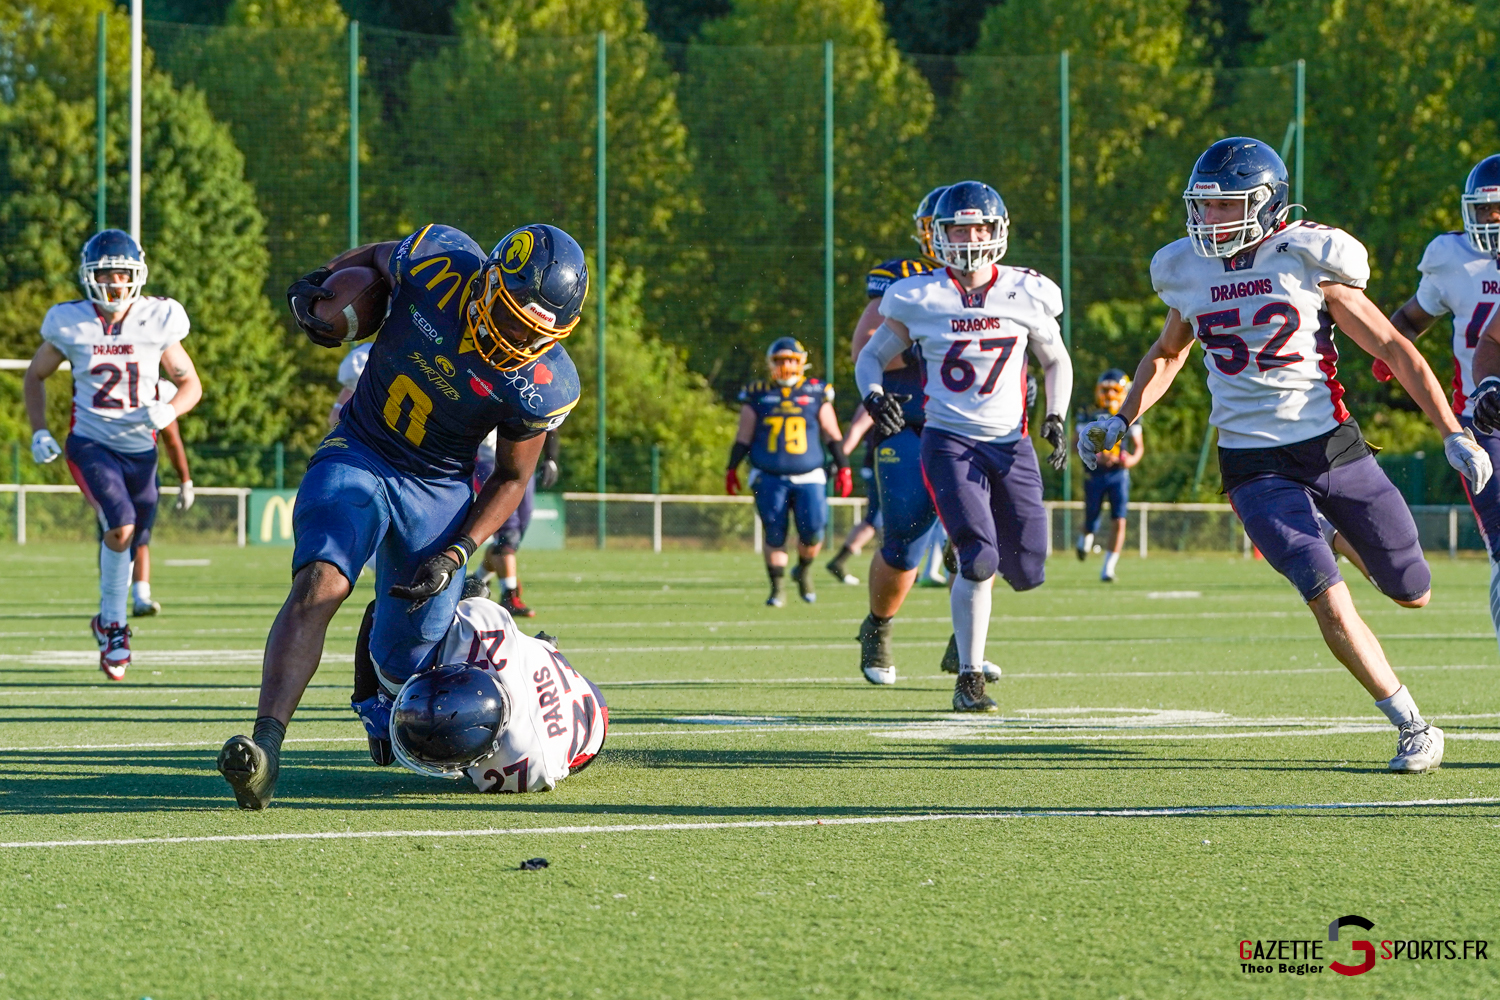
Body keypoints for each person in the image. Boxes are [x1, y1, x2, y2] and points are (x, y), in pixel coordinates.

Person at [1081, 136, 1491, 773]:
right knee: (1323, 591)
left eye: (1225, 207)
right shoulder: (1186, 270)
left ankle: (1333, 530)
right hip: (1251, 464)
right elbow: (1167, 354)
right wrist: (1121, 417)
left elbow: (1394, 347)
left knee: (1414, 592)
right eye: (1203, 207)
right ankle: (1411, 722)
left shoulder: (1305, 257)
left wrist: (1449, 430)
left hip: (1332, 445)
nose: (1209, 221)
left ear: (1267, 205)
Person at [217, 222, 586, 810]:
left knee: (401, 665)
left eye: (536, 329)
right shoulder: (441, 263)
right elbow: (379, 258)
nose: (518, 336)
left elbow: (512, 477)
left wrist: (457, 550)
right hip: (361, 449)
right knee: (320, 583)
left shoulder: (545, 382)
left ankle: (413, 671)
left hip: (438, 491)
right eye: (513, 314)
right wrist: (325, 284)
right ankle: (266, 747)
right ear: (490, 282)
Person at [856, 181, 1072, 707]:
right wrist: (872, 394)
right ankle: (967, 675)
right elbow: (869, 351)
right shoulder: (917, 293)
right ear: (938, 233)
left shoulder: (1026, 290)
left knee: (1028, 565)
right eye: (958, 227)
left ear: (998, 231)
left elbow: (1056, 358)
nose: (969, 237)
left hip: (1010, 440)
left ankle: (965, 632)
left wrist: (1056, 416)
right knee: (972, 555)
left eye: (978, 226)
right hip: (946, 438)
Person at [23, 230, 203, 680]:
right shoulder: (71, 321)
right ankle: (116, 624)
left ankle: (106, 621)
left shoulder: (157, 318)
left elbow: (190, 384)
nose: (114, 283)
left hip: (141, 449)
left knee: (136, 534)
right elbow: (35, 376)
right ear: (89, 277)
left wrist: (170, 409)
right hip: (90, 443)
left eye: (121, 273)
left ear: (136, 275)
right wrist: (40, 429)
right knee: (120, 527)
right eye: (105, 274)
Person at [1381, 154, 1500, 651]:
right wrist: (1388, 352)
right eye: (1483, 210)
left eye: (1498, 210)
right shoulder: (1452, 257)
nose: (1489, 221)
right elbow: (1410, 319)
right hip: (1481, 418)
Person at [382, 597, 606, 792]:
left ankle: (541, 648)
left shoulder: (528, 756)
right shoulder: (477, 627)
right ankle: (540, 647)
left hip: (591, 718)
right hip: (532, 666)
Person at [726, 337, 852, 607]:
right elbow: (743, 436)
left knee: (813, 531)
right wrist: (731, 468)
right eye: (780, 360)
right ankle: (777, 588)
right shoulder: (757, 393)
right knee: (774, 531)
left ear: (801, 362)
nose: (786, 366)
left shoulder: (817, 391)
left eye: (791, 360)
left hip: (810, 475)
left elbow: (832, 434)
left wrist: (844, 468)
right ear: (771, 364)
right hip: (768, 474)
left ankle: (803, 570)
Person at [470, 427, 561, 616]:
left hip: (524, 462)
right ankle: (509, 596)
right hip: (488, 461)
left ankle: (476, 582)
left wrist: (551, 458)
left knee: (515, 533)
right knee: (508, 534)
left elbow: (550, 421)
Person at [128, 378, 195, 617]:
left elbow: (172, 438)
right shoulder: (113, 374)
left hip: (144, 471)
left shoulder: (160, 388)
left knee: (140, 535)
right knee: (116, 532)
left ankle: (140, 596)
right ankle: (112, 595)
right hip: (111, 464)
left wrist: (185, 480)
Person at [1075, 369, 1144, 582]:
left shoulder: (1131, 411)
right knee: (1091, 519)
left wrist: (1128, 460)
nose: (1109, 395)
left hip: (1118, 474)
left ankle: (1108, 568)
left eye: (1114, 390)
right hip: (1095, 472)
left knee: (1119, 520)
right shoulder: (1088, 411)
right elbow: (1075, 442)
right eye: (1105, 390)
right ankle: (1085, 538)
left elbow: (1139, 448)